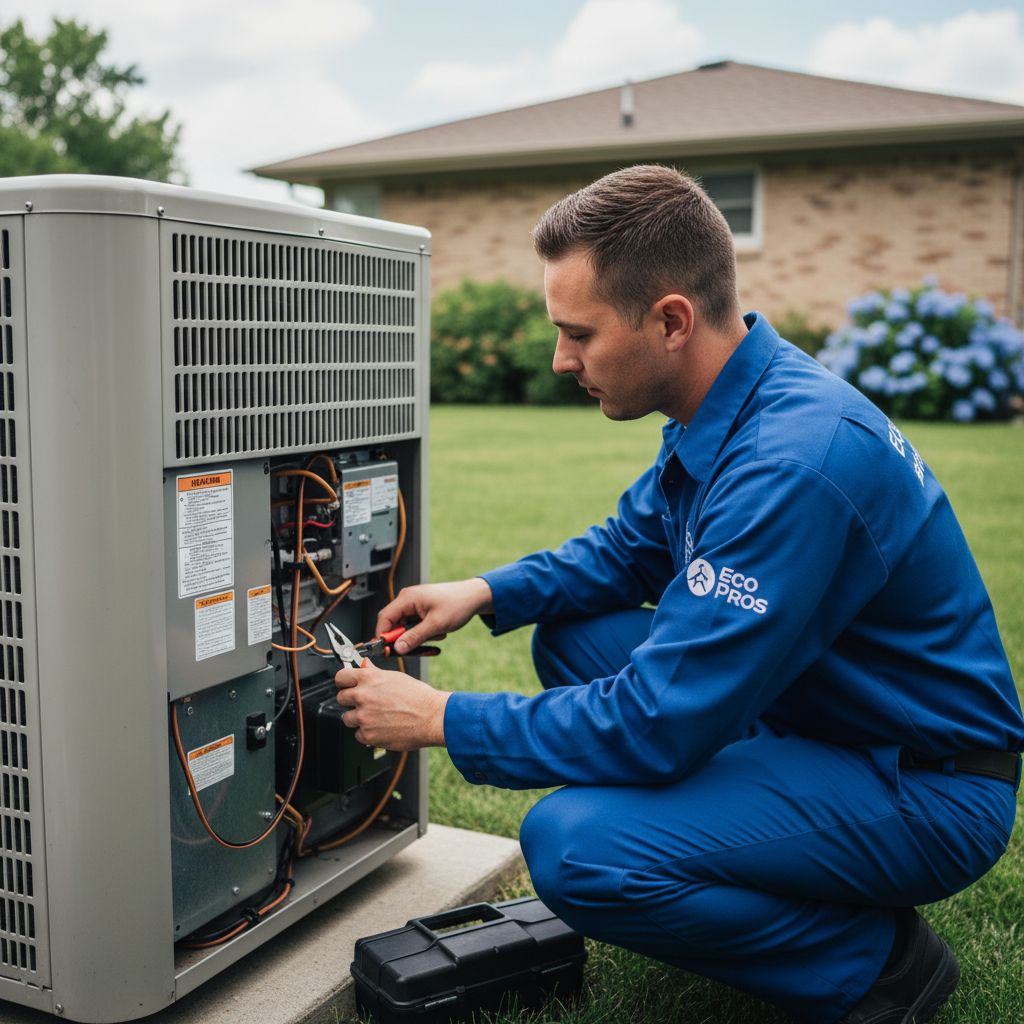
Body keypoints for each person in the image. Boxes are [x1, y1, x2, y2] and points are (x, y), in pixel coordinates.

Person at [334, 165, 1023, 1024]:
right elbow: (630, 549)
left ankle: (874, 965)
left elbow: (657, 723)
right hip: (822, 715)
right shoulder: (735, 401)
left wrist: (440, 718)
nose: (560, 360)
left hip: (921, 785)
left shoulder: (790, 462)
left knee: (575, 847)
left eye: (578, 333)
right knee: (570, 635)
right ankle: (754, 834)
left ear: (670, 320)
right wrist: (484, 590)